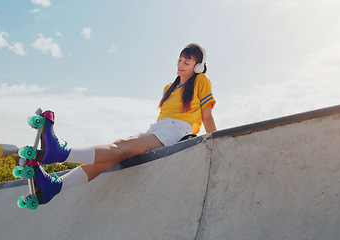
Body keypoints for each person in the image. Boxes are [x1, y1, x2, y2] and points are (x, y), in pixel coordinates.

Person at [33, 43, 217, 205]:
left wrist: (216, 142)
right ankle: (56, 186)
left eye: (187, 63)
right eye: (179, 60)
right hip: (159, 128)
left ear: (198, 67)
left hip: (177, 130)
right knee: (111, 158)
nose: (180, 65)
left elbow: (207, 116)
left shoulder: (201, 81)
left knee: (122, 144)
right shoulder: (168, 88)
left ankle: (61, 152)